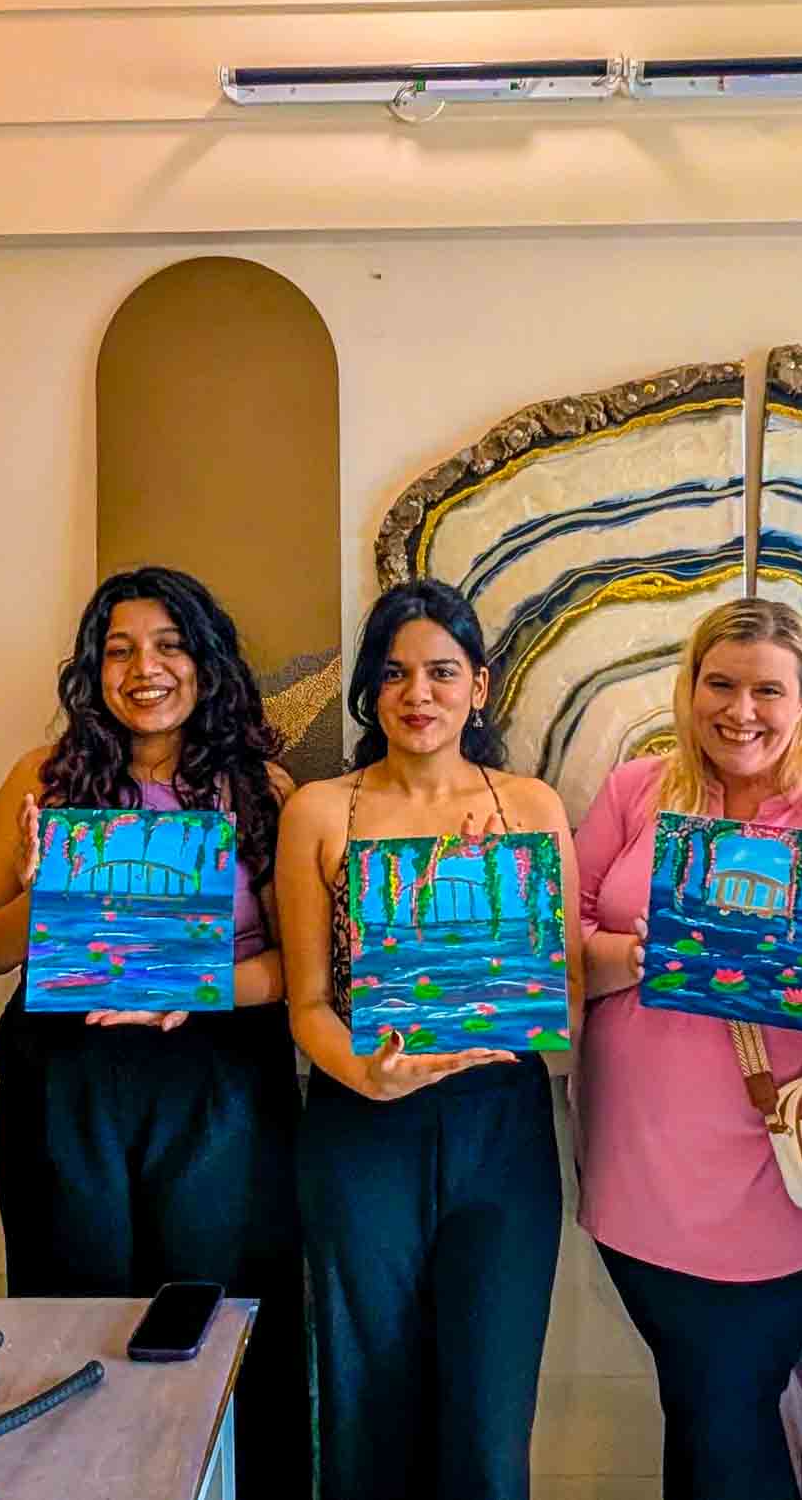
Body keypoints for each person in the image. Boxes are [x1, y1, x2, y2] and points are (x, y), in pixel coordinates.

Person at [0, 566, 307, 1496]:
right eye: (118, 650)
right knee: (74, 1322)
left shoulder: (258, 786)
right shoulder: (43, 780)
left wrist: (197, 991)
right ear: (91, 670)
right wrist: (39, 896)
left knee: (213, 1321)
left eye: (167, 645)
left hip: (220, 1088)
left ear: (206, 660)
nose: (143, 668)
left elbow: (295, 971)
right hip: (67, 1091)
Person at [576, 596, 802, 1500]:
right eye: (721, 683)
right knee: (697, 1407)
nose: (741, 710)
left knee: (724, 1410)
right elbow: (560, 938)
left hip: (780, 1189)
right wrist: (645, 956)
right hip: (637, 1178)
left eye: (767, 690)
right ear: (690, 688)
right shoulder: (634, 795)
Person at [276, 578, 580, 1500]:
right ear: (371, 689)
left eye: (443, 672)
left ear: (478, 687)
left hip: (500, 1126)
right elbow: (306, 1006)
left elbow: (559, 982)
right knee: (367, 1406)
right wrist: (366, 1078)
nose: (420, 694)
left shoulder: (531, 809)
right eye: (397, 673)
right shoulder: (321, 812)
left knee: (489, 1425)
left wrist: (500, 913)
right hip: (361, 1129)